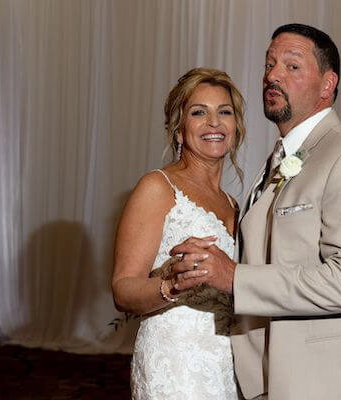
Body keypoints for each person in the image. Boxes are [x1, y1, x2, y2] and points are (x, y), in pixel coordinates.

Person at [170, 24, 341, 399]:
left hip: (327, 386)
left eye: (291, 66)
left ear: (327, 85)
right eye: (269, 64)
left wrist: (235, 279)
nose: (272, 75)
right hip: (269, 381)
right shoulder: (278, 159)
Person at [111, 67, 246, 399]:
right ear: (179, 129)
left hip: (227, 362)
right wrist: (170, 284)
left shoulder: (235, 204)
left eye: (224, 112)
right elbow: (123, 290)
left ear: (236, 126)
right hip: (175, 361)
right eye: (199, 112)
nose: (214, 122)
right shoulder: (158, 187)